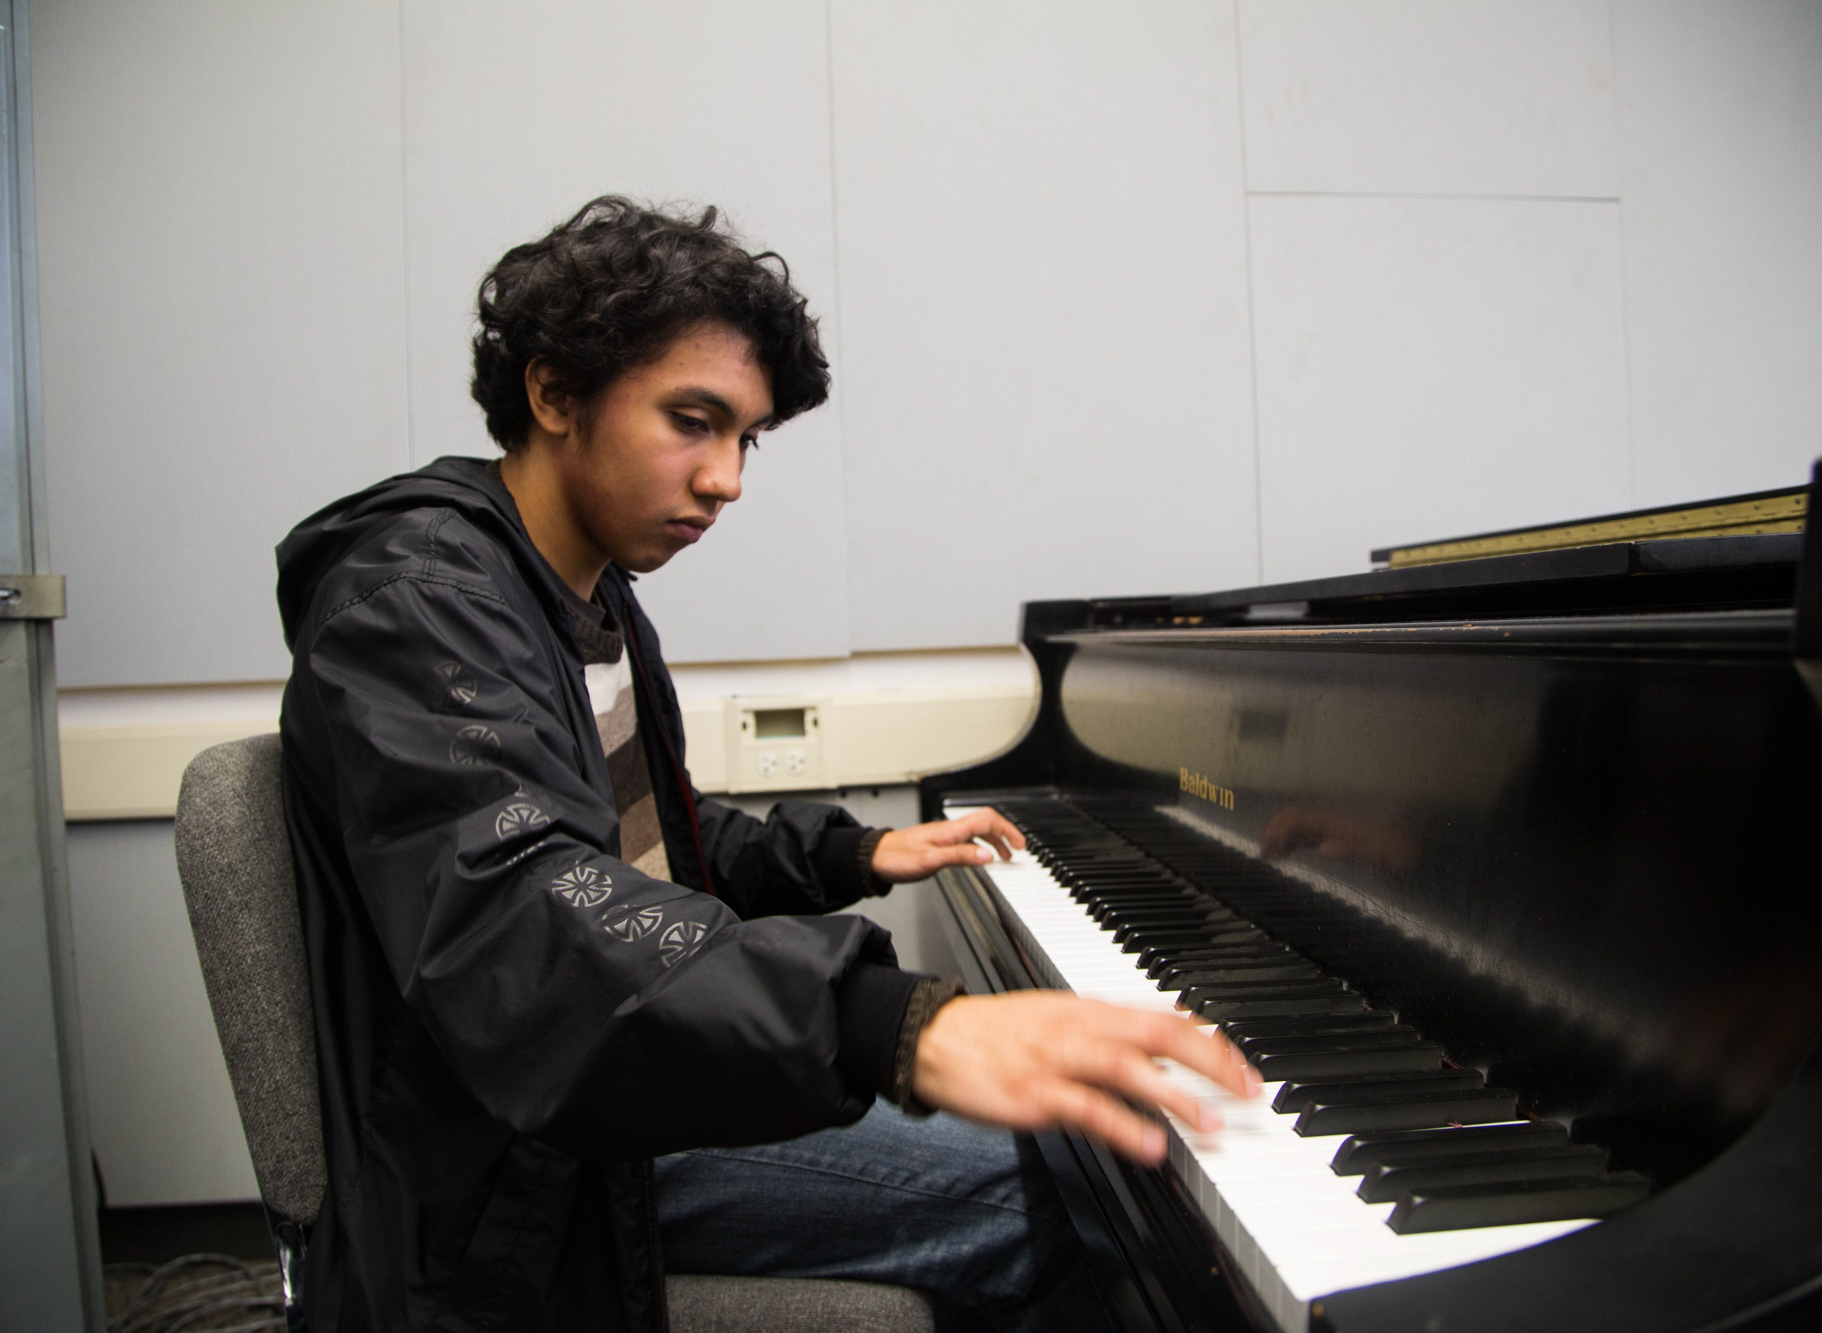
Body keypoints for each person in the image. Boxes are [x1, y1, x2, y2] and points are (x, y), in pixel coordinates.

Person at [275, 196, 1256, 1333]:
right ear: (552, 394)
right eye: (692, 420)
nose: (727, 479)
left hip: (613, 1087)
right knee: (1076, 1202)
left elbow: (645, 839)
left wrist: (852, 848)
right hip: (521, 1168)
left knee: (1082, 1164)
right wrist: (890, 1021)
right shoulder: (420, 604)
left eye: (744, 438)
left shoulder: (582, 597)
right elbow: (526, 915)